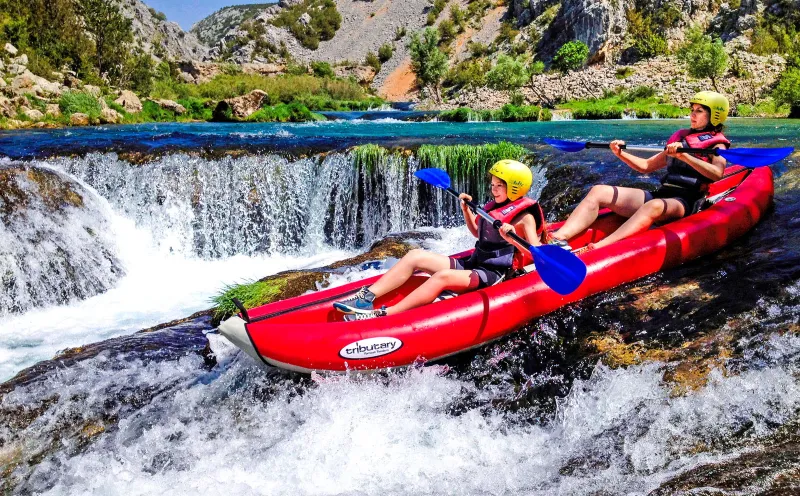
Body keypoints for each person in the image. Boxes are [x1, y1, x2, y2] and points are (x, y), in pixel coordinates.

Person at [334, 159, 546, 321]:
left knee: (442, 277)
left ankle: (386, 314)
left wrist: (511, 237)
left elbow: (536, 255)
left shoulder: (524, 217)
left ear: (515, 187)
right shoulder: (494, 207)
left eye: (499, 185)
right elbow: (476, 233)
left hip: (493, 273)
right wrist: (466, 210)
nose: (493, 189)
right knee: (415, 255)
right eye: (492, 185)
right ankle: (365, 298)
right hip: (473, 263)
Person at [548, 90, 731, 252]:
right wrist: (620, 153)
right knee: (599, 191)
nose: (692, 114)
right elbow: (646, 166)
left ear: (715, 115)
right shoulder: (682, 139)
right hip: (663, 194)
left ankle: (600, 247)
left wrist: (685, 157)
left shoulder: (717, 144)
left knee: (654, 205)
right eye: (692, 110)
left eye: (699, 111)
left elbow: (717, 173)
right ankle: (558, 239)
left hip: (686, 202)